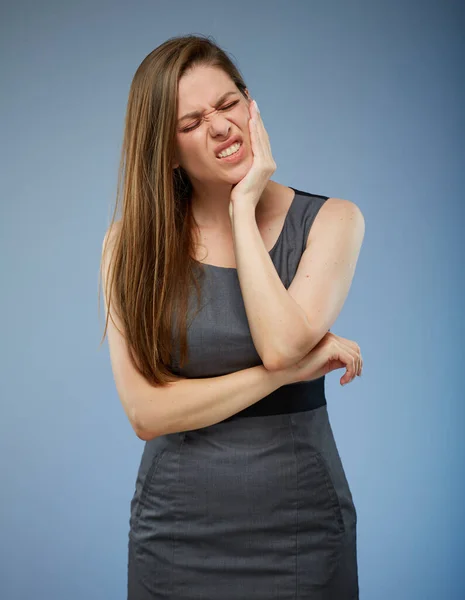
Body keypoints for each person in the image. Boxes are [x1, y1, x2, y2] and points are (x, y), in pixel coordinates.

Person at [100, 34, 365, 600]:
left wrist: (243, 205)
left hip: (302, 531)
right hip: (174, 536)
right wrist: (285, 375)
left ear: (252, 106)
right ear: (165, 150)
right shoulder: (127, 245)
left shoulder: (332, 221)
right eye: (191, 122)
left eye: (227, 104)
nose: (220, 127)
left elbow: (280, 344)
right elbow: (147, 412)